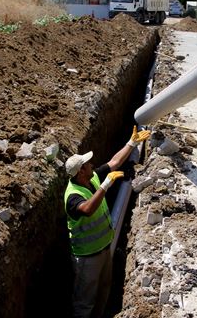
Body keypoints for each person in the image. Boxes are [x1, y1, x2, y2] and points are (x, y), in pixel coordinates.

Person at [64, 125, 150, 318]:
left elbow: (114, 162)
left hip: (104, 250)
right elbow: (87, 209)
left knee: (104, 291)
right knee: (85, 302)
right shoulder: (73, 196)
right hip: (87, 258)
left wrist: (131, 143)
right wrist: (106, 185)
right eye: (87, 165)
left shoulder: (90, 178)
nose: (92, 165)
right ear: (80, 172)